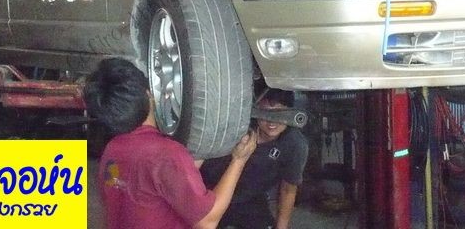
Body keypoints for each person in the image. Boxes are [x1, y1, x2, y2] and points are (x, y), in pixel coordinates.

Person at [84, 57, 257, 229]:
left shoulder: (113, 149)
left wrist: (206, 142)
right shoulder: (164, 154)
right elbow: (207, 221)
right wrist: (239, 160)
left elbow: (164, 181)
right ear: (148, 93)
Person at [200, 90, 309, 229]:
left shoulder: (294, 144)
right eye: (266, 113)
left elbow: (288, 189)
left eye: (280, 113)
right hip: (211, 193)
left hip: (250, 199)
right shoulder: (237, 129)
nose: (272, 121)